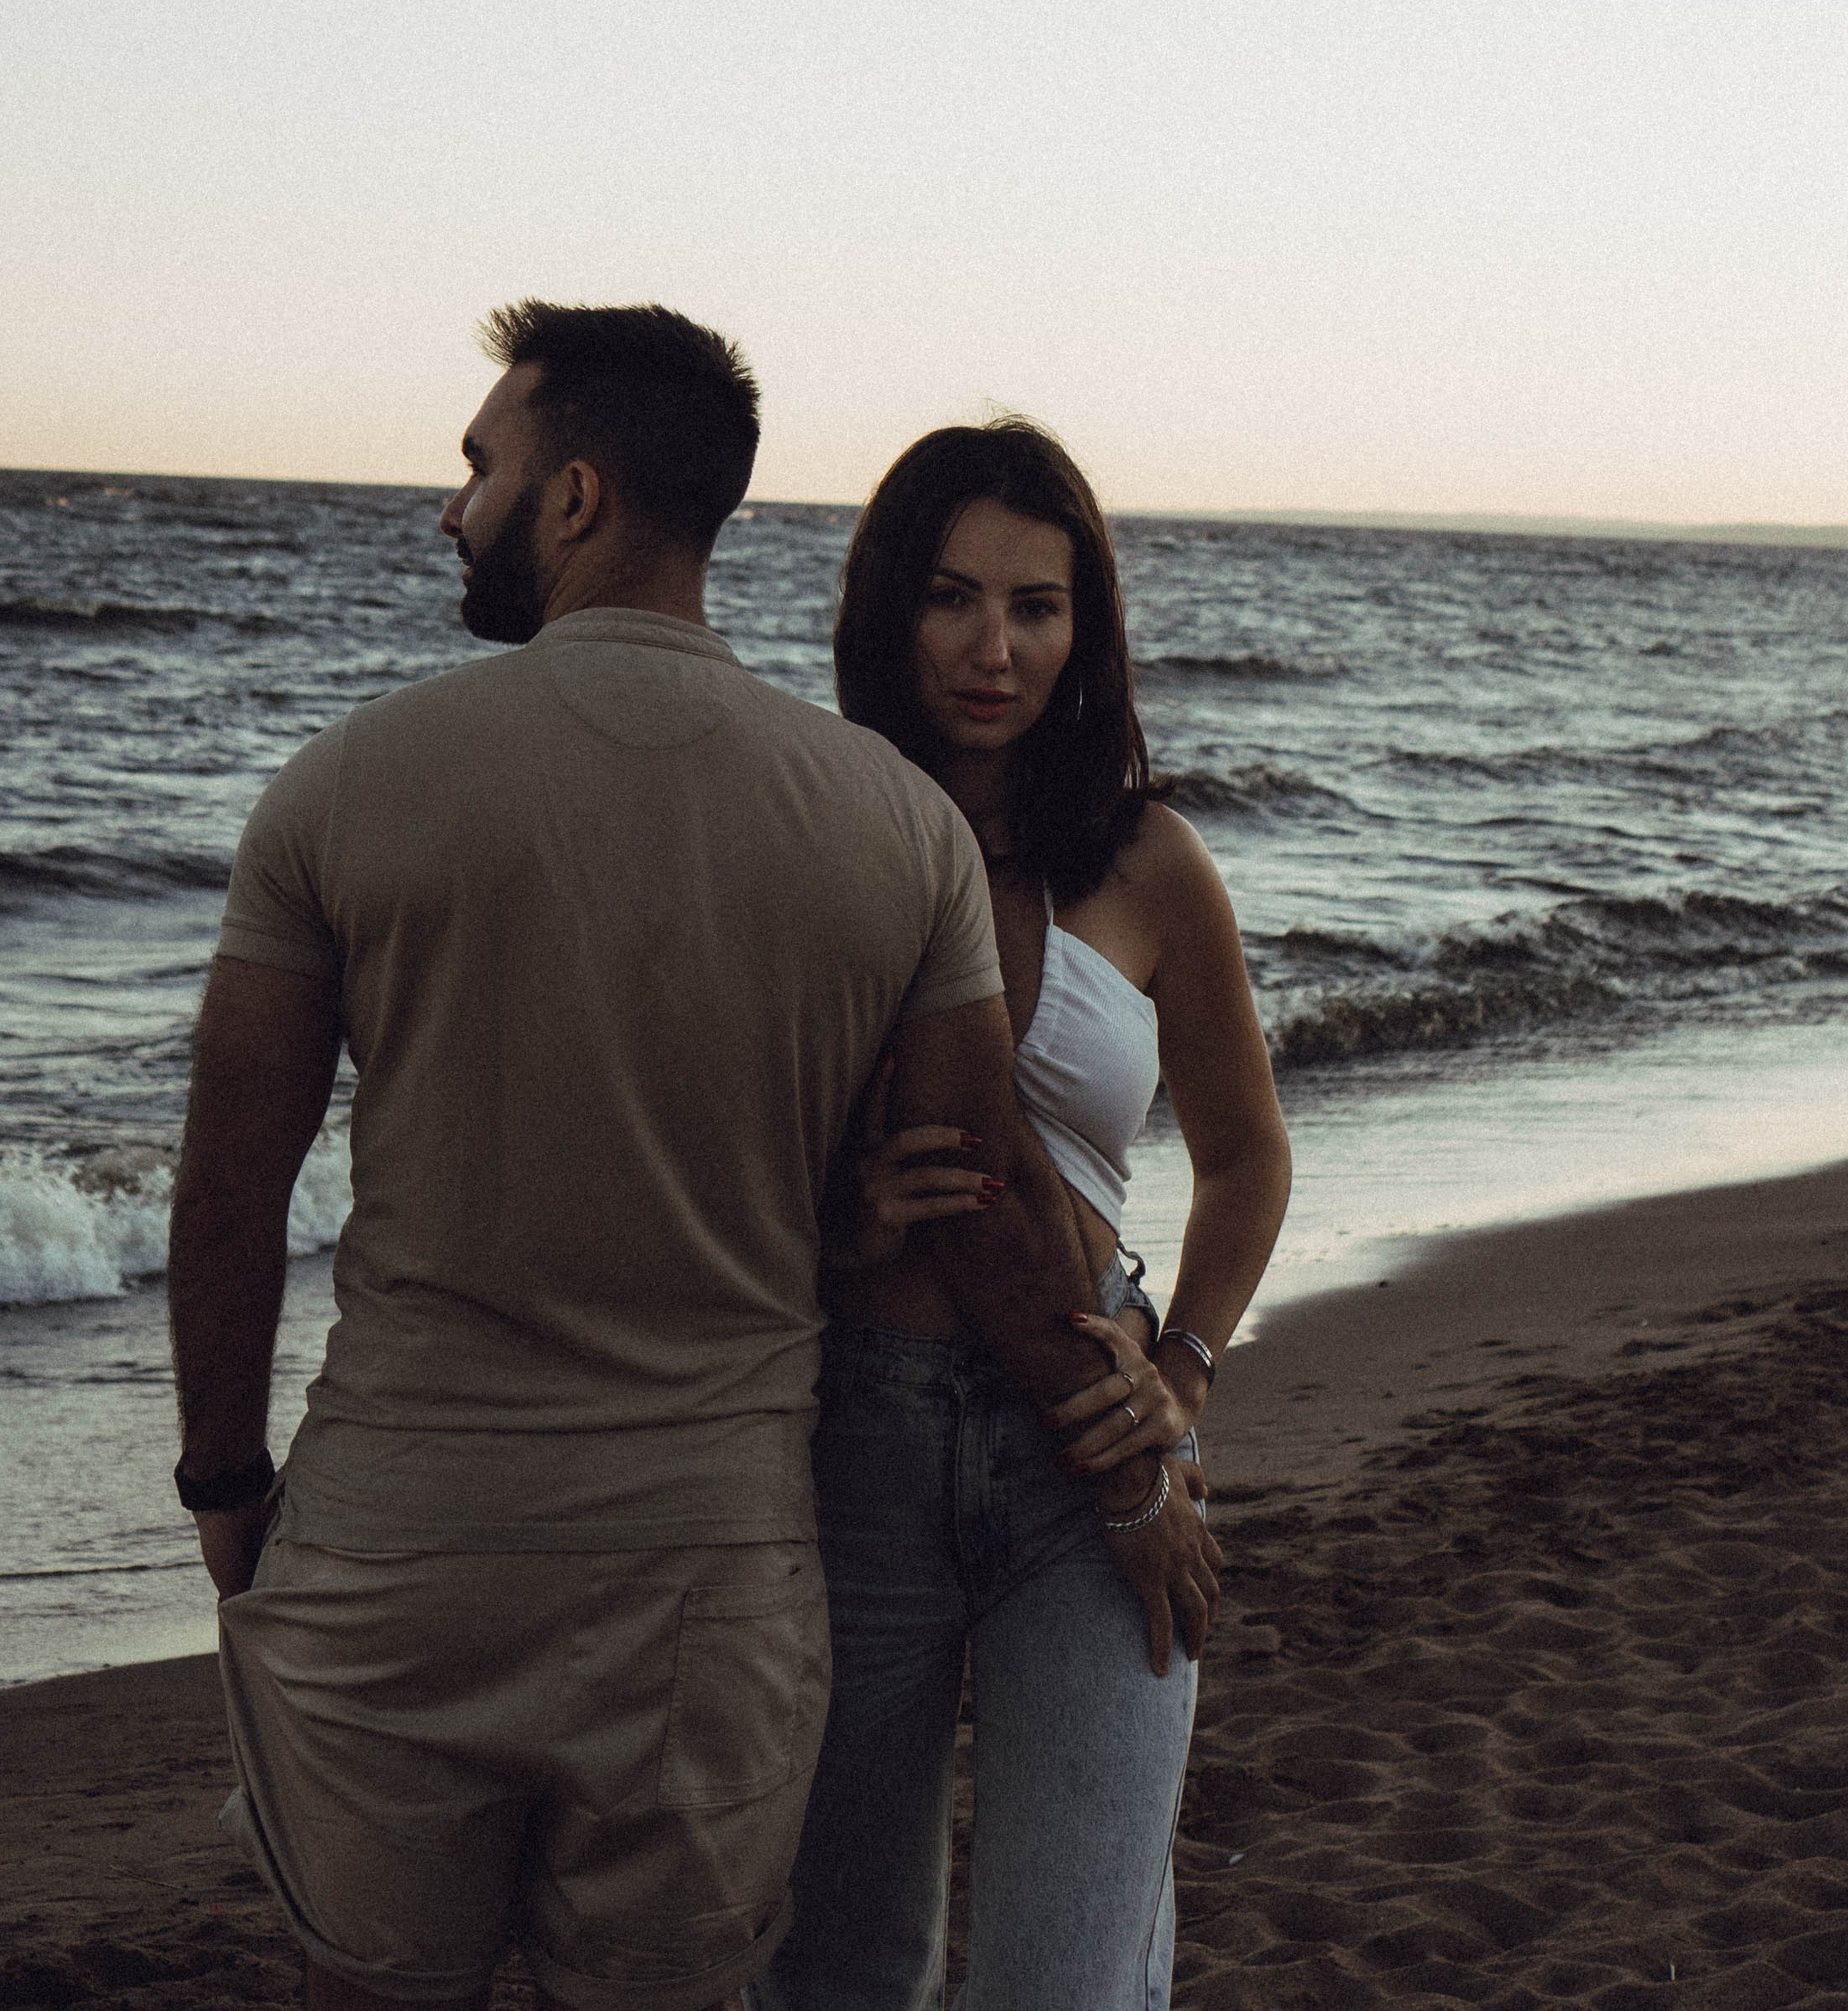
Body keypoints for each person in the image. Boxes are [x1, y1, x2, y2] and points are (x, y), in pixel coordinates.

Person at [170, 305, 1205, 2011]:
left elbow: (227, 1189)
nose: (454, 507)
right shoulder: (887, 823)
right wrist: (1127, 1462)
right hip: (713, 1578)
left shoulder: (340, 787)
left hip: (396, 1549)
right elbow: (984, 1188)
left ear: (576, 496)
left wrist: (224, 1485)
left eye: (480, 466)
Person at [758, 421, 1293, 2011]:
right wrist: (838, 1222)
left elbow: (1247, 1158)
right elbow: (711, 1152)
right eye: (952, 597)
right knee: (839, 1970)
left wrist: (1184, 1373)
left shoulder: (1148, 862)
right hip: (851, 1443)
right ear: (888, 609)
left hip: (1092, 1447)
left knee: (1070, 1977)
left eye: (1037, 607)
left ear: (1086, 629)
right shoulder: (812, 841)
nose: (994, 649)